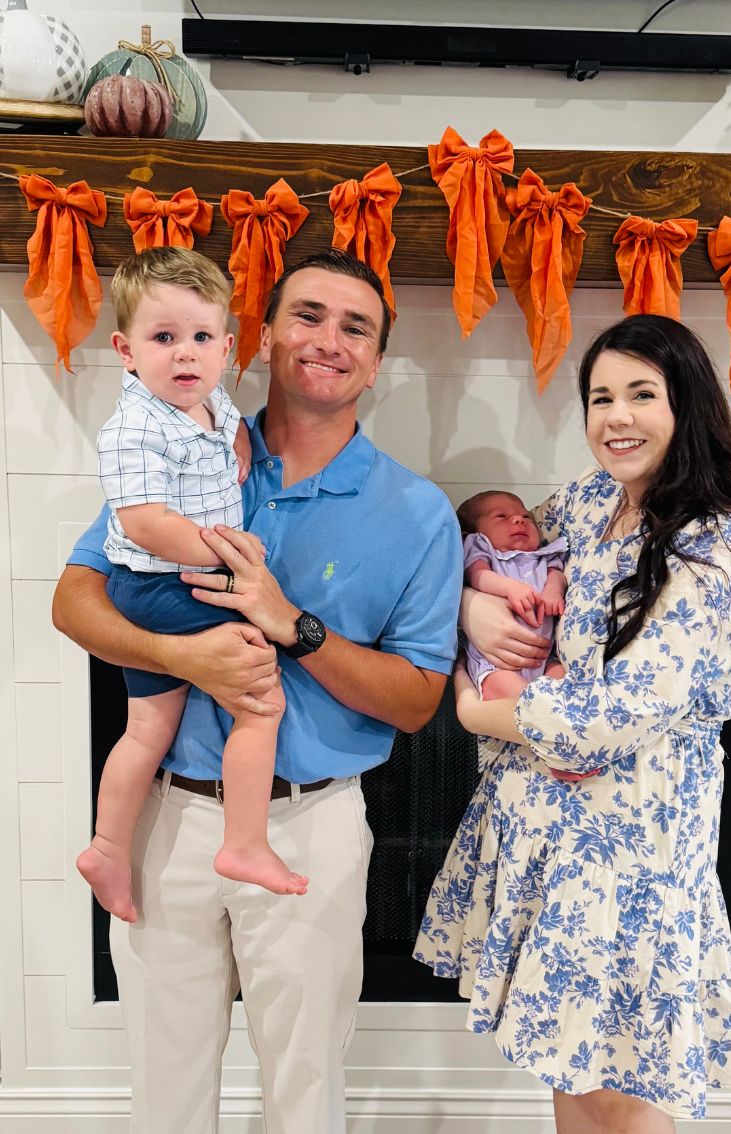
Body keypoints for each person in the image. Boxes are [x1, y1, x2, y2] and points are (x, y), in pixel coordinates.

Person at [52, 249, 463, 1134]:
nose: (328, 339)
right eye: (307, 315)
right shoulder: (183, 445)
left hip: (310, 828)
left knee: (304, 1090)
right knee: (164, 1091)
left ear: (377, 361)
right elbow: (74, 600)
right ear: (263, 336)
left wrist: (293, 626)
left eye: (356, 326)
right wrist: (187, 658)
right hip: (170, 819)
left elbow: (418, 701)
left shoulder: (417, 511)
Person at [415, 314, 731, 1133]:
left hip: (637, 844)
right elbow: (494, 556)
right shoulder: (591, 499)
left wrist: (476, 707)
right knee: (569, 1057)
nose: (615, 417)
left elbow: (623, 711)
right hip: (550, 835)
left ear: (687, 404)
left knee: (625, 1078)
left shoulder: (716, 537)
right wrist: (468, 606)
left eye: (640, 394)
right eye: (599, 397)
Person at [76, 247, 307, 924]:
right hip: (161, 584)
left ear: (227, 347)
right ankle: (244, 841)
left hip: (170, 581)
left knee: (147, 726)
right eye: (163, 339)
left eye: (202, 339)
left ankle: (107, 847)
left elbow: (225, 415)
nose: (185, 355)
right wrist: (229, 556)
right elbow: (145, 523)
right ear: (125, 350)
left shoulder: (203, 398)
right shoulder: (131, 428)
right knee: (262, 699)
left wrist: (235, 437)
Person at [457, 490, 566, 701]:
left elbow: (557, 575)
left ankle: (550, 717)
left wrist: (553, 590)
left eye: (526, 517)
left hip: (543, 659)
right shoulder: (483, 549)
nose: (519, 520)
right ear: (476, 532)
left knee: (562, 685)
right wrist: (509, 588)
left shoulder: (543, 557)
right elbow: (477, 575)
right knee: (516, 696)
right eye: (501, 517)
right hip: (496, 663)